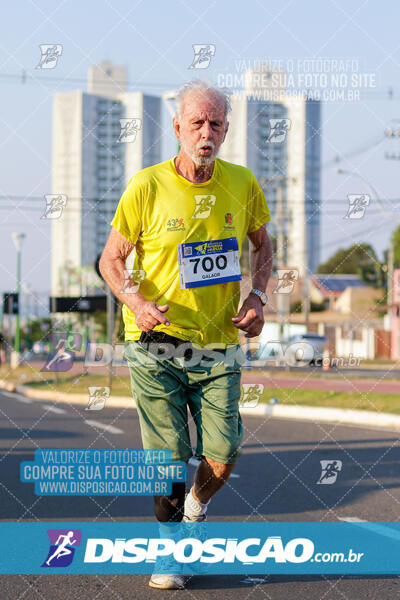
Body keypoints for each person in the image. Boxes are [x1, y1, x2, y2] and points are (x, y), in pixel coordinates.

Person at [99, 80, 273, 589]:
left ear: (226, 129)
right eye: (196, 123)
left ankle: (195, 509)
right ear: (177, 127)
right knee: (170, 455)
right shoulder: (147, 186)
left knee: (224, 452)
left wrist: (258, 296)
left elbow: (264, 246)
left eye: (216, 123)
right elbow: (111, 259)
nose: (206, 133)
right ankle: (170, 552)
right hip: (156, 344)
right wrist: (133, 299)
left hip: (218, 343)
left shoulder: (241, 184)